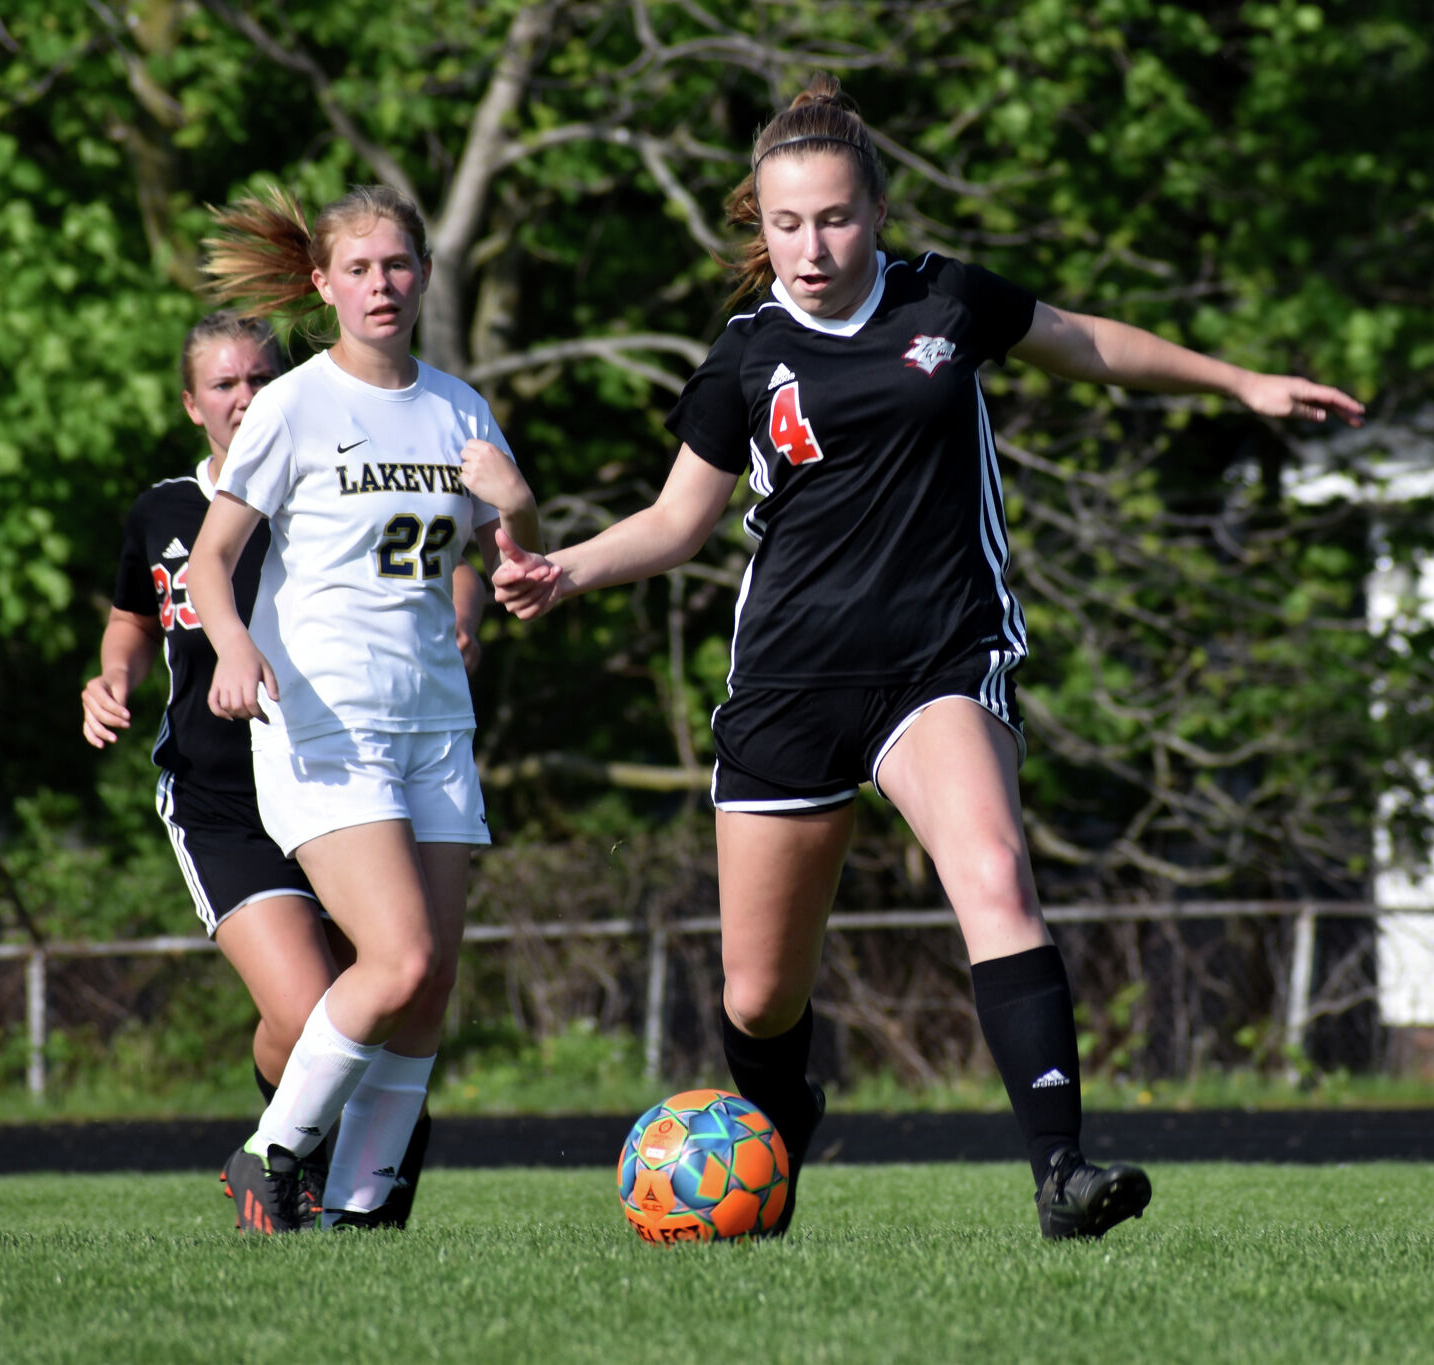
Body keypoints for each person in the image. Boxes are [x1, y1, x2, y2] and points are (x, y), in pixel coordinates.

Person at [494, 78, 1365, 1240]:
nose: (811, 246)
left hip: (937, 660)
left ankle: (1060, 1175)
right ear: (757, 228)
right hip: (788, 682)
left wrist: (1235, 381)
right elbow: (674, 522)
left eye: (836, 218)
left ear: (878, 211)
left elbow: (1085, 343)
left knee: (996, 877)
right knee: (759, 994)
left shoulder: (945, 300)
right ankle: (773, 1138)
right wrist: (566, 569)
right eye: (786, 224)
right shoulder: (742, 359)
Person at [182, 184, 540, 1233]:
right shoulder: (295, 402)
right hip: (328, 716)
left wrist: (514, 510)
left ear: (423, 274)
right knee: (399, 960)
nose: (380, 286)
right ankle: (270, 1155)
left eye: (396, 266)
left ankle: (364, 1205)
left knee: (429, 995)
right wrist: (234, 642)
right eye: (358, 269)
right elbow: (212, 560)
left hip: (434, 719)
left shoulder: (458, 405)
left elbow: (505, 566)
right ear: (321, 284)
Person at [79, 311, 486, 1229]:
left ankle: (346, 1173)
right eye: (223, 384)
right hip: (224, 796)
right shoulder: (168, 513)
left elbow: (438, 548)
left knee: (395, 982)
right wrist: (112, 676)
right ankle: (289, 1144)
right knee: (314, 1011)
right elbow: (134, 620)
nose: (245, 396)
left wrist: (466, 612)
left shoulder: (319, 473)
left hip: (334, 756)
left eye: (260, 377)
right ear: (192, 405)